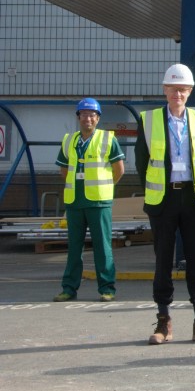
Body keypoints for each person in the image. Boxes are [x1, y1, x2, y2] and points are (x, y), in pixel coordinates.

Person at [135, 63, 195, 345]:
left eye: (183, 89)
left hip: (193, 196)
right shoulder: (148, 120)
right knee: (163, 259)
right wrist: (155, 192)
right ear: (165, 90)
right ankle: (164, 320)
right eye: (173, 88)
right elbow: (141, 162)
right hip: (163, 197)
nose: (178, 93)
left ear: (190, 91)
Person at [53, 98, 126, 302]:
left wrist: (105, 186)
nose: (88, 118)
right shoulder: (69, 140)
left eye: (92, 114)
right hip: (75, 201)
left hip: (98, 202)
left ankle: (107, 288)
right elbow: (63, 169)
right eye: (83, 114)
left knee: (102, 246)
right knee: (73, 248)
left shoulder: (107, 139)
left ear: (98, 118)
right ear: (78, 117)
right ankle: (69, 288)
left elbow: (119, 169)